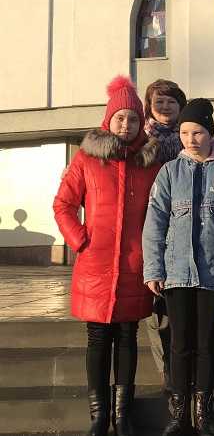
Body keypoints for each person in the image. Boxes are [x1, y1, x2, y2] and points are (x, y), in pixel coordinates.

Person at [53, 75, 161, 436]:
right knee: (98, 339)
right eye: (120, 118)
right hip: (95, 264)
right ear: (108, 119)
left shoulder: (150, 163)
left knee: (128, 337)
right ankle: (99, 416)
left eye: (133, 119)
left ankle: (122, 415)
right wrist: (80, 240)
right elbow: (64, 204)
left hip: (134, 264)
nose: (126, 125)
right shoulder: (87, 159)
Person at [142, 98, 214, 436]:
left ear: (210, 133)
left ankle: (203, 413)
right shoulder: (169, 172)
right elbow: (154, 223)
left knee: (204, 345)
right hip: (176, 272)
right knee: (179, 344)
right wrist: (153, 268)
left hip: (213, 275)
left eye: (198, 132)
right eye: (185, 132)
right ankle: (178, 414)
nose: (191, 139)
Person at [142, 78, 188, 394]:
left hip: (184, 233)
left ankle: (182, 371)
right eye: (159, 101)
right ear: (149, 106)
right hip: (150, 229)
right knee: (155, 310)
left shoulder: (191, 139)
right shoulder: (140, 141)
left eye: (172, 101)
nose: (165, 106)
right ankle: (168, 374)